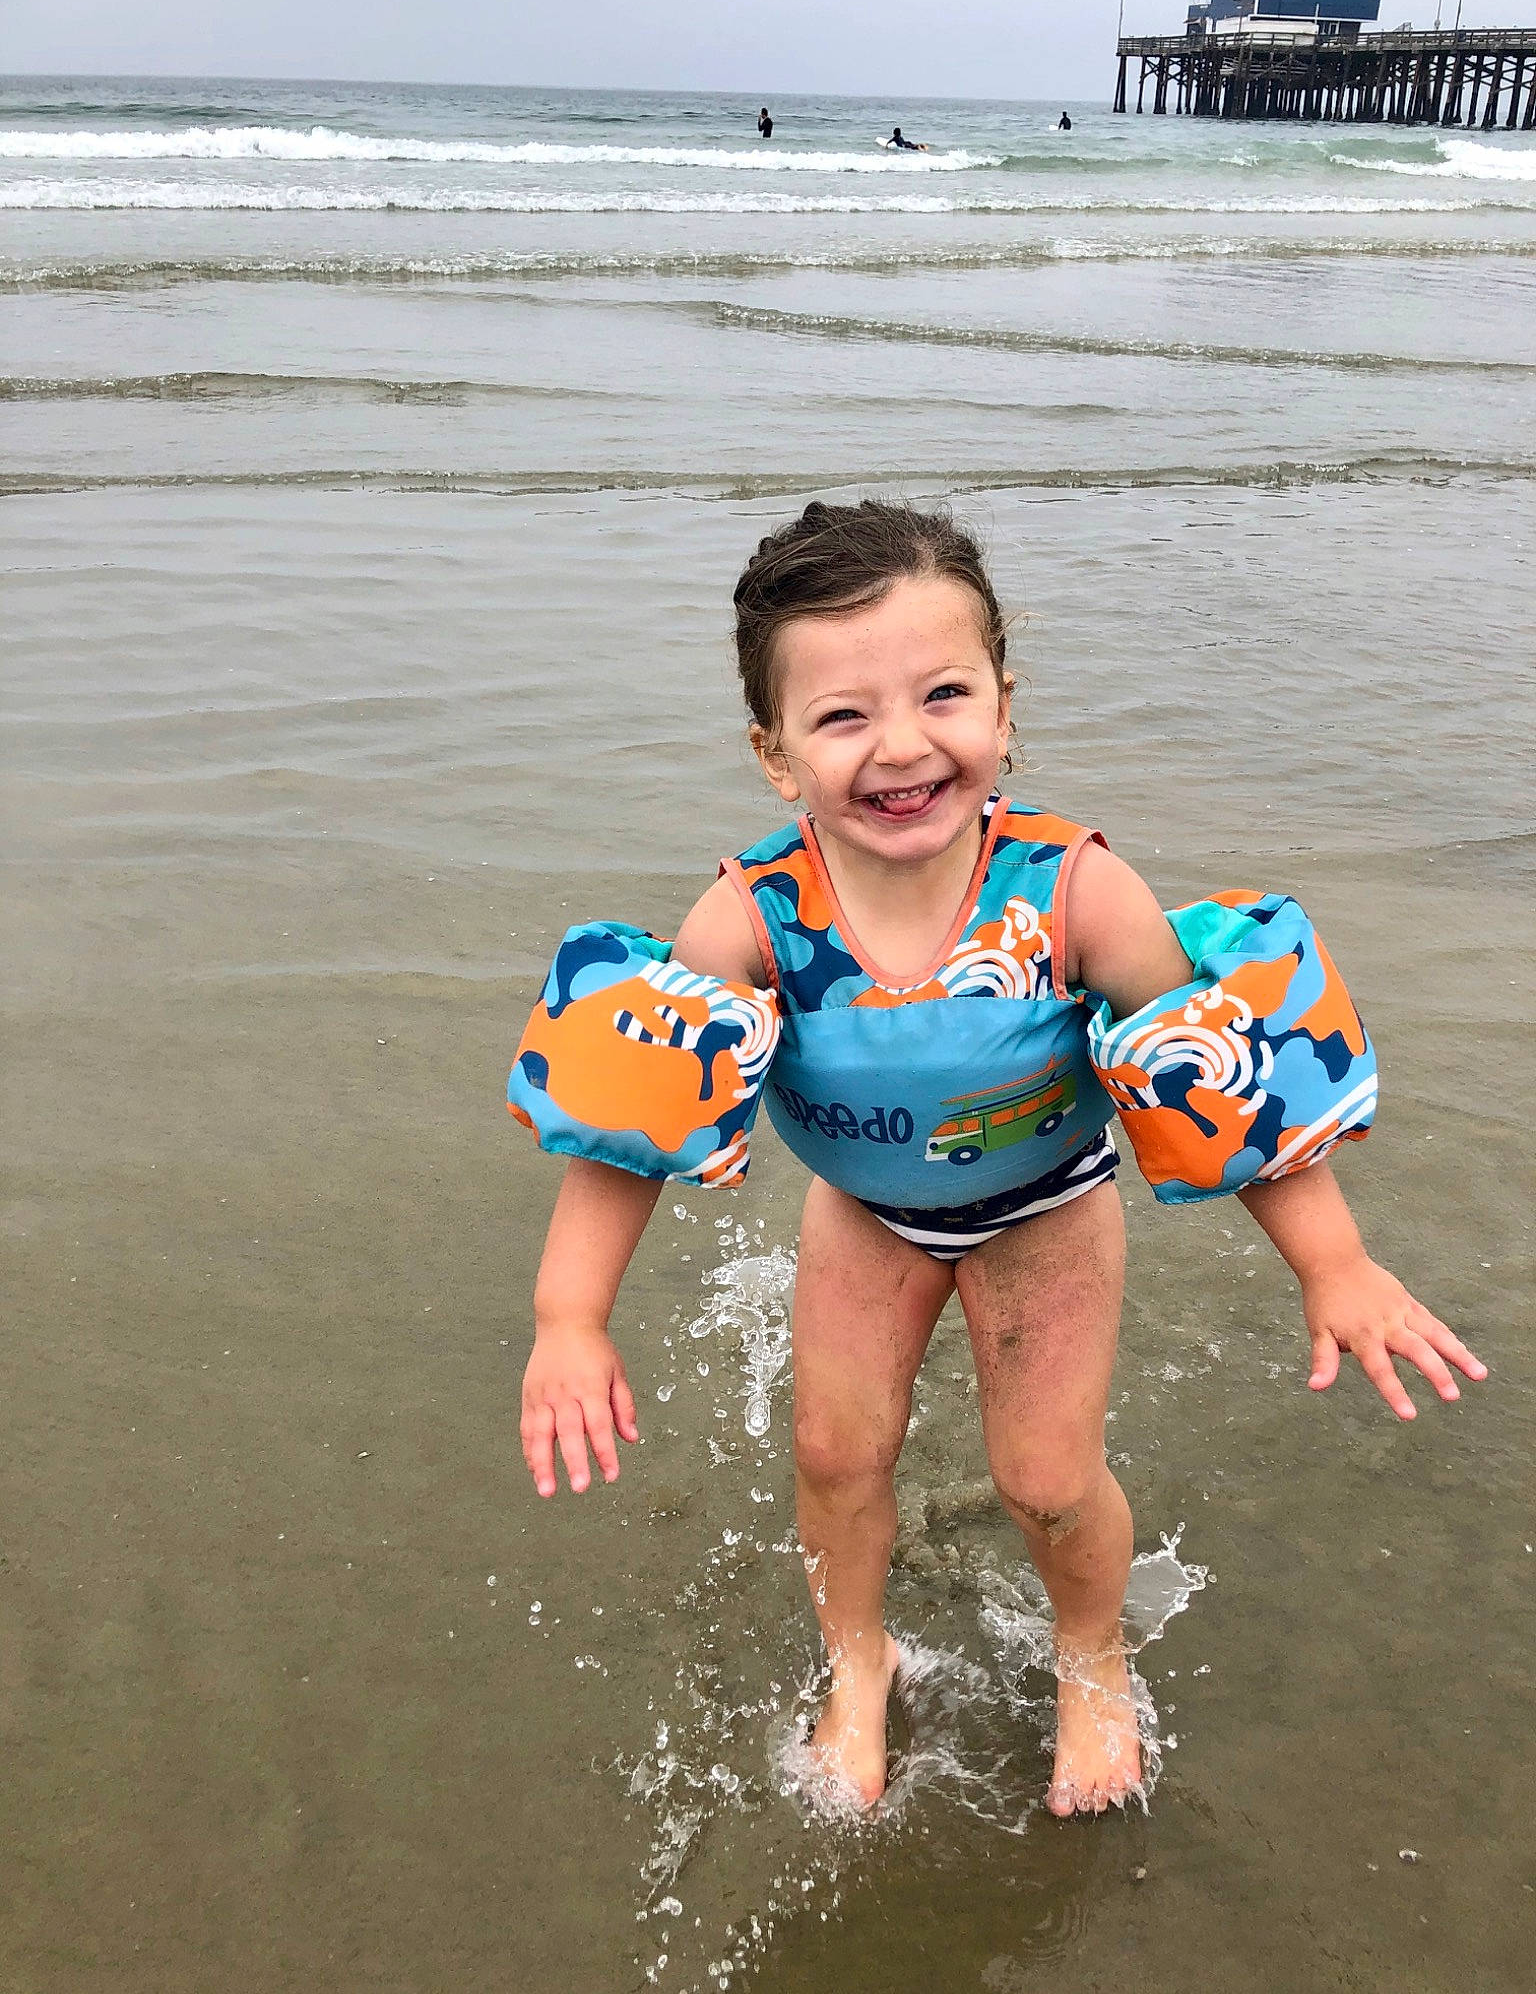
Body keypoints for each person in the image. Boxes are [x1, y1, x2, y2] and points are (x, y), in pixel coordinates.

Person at [510, 500, 1482, 1817]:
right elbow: (631, 1126)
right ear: (773, 752)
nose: (903, 745)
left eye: (944, 695)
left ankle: (1090, 1659)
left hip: (1047, 1209)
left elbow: (1221, 1082)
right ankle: (859, 1665)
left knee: (1046, 1480)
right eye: (842, 716)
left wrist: (1338, 1263)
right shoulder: (747, 916)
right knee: (837, 1457)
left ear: (1005, 707)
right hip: (865, 1211)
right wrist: (571, 1316)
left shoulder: (1078, 893)